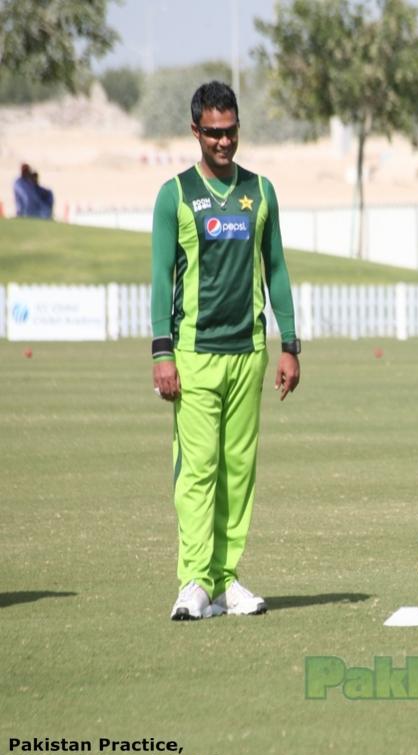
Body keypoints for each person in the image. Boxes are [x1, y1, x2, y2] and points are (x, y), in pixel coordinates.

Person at [150, 81, 301, 620]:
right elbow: (159, 277)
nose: (223, 141)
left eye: (230, 131)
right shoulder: (175, 194)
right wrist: (161, 352)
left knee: (239, 469)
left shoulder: (260, 192)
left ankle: (226, 580)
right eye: (213, 132)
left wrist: (291, 343)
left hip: (248, 350)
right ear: (195, 131)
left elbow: (277, 269)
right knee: (198, 469)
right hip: (192, 353)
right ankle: (194, 580)